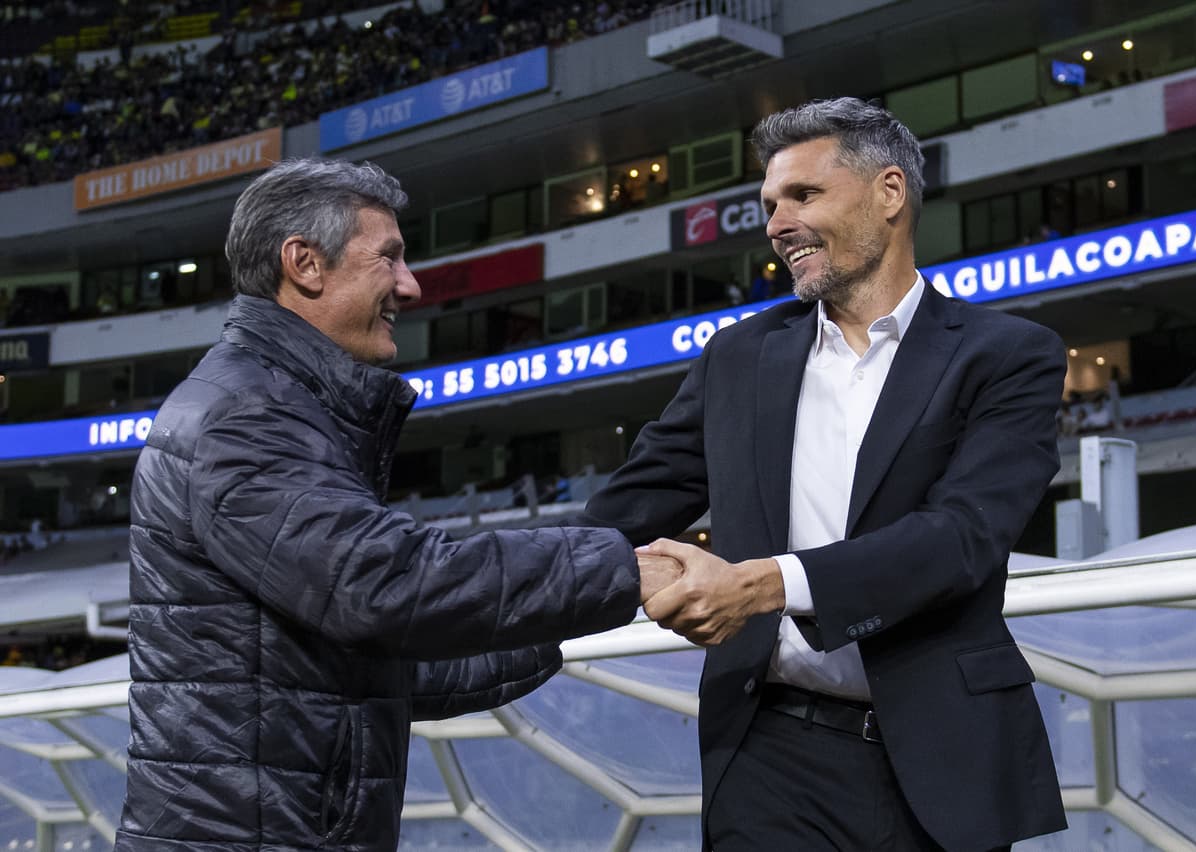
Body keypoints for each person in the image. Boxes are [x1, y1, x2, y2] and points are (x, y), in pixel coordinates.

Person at [116, 158, 677, 850]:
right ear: (305, 264)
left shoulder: (270, 401)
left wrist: (568, 613)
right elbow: (381, 581)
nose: (409, 286)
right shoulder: (248, 414)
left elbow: (386, 668)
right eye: (390, 258)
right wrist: (620, 570)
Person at [579, 98, 1068, 850]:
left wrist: (767, 584)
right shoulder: (737, 357)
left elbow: (963, 538)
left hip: (944, 758)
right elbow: (622, 510)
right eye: (770, 204)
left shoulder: (1008, 354)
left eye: (804, 196)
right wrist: (487, 585)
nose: (777, 224)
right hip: (768, 753)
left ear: (891, 193)